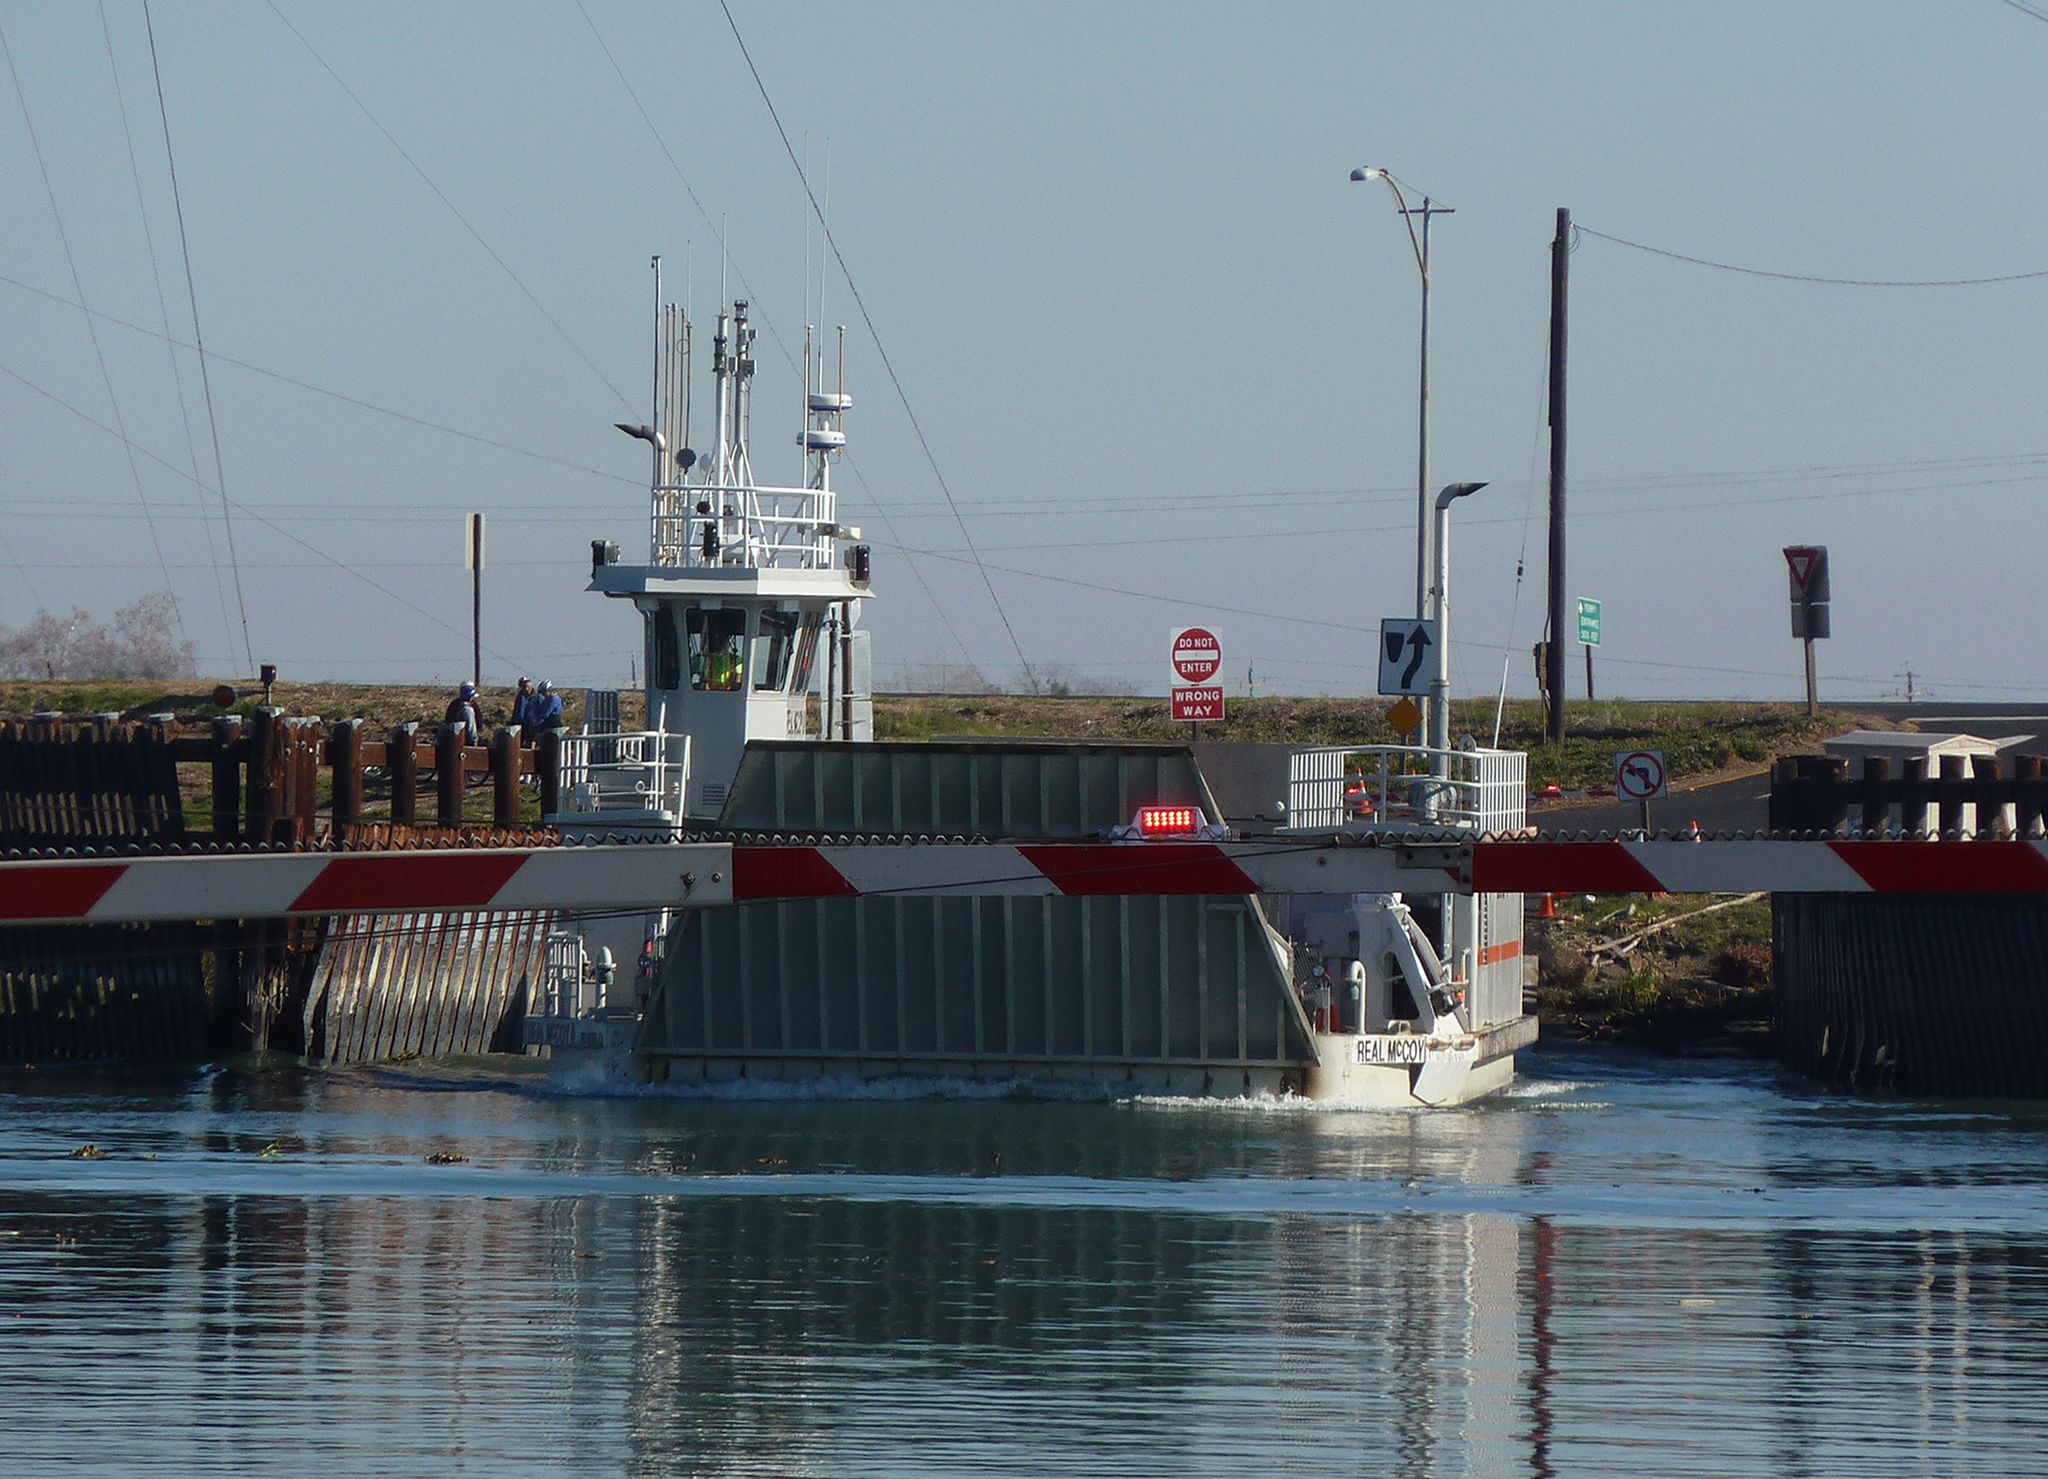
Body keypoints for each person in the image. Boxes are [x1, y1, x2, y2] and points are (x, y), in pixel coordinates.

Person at [511, 676, 538, 741]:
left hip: (531, 726)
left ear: (531, 686)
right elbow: (516, 711)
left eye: (527, 686)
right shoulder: (519, 697)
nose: (526, 689)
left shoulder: (537, 697)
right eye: (523, 687)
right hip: (519, 725)